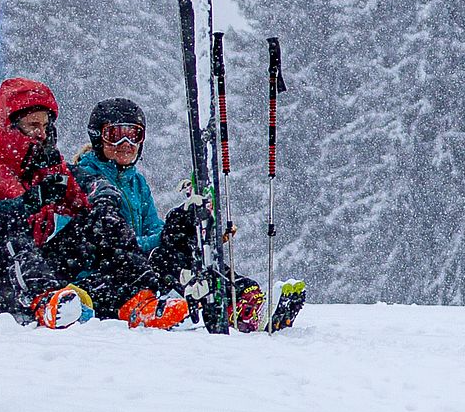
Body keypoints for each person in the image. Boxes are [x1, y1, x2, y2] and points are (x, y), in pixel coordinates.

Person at [0, 78, 189, 330]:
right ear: (10, 125)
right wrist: (31, 201)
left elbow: (88, 185)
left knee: (98, 221)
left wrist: (104, 203)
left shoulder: (42, 166)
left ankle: (139, 299)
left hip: (29, 269)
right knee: (9, 225)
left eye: (45, 125)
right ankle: (44, 299)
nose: (42, 133)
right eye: (33, 125)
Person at [71, 97, 306, 333]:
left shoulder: (136, 182)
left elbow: (154, 230)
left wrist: (193, 231)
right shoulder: (87, 181)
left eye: (134, 135)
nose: (126, 143)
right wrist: (171, 234)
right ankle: (232, 305)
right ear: (97, 137)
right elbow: (114, 247)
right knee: (166, 253)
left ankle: (243, 296)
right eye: (115, 135)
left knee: (184, 245)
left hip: (135, 268)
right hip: (103, 277)